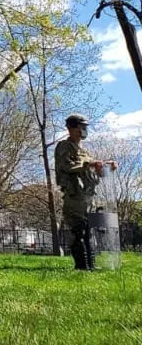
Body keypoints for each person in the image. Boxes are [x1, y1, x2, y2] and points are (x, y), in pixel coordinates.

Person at [54, 113, 117, 270]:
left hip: (87, 196)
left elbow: (93, 170)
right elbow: (67, 166)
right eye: (82, 127)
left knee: (88, 231)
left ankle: (91, 266)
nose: (84, 130)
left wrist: (105, 165)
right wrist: (89, 164)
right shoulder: (64, 146)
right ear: (72, 129)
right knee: (79, 231)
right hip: (74, 195)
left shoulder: (83, 151)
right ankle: (81, 267)